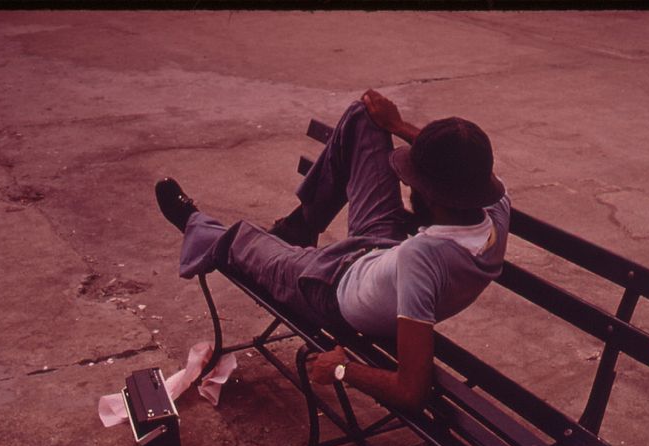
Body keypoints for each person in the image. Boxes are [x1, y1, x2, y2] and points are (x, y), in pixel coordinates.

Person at [154, 89, 510, 411]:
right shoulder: (495, 208)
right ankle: (301, 228)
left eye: (414, 178)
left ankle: (196, 225)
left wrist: (342, 368)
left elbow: (411, 390)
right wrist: (396, 125)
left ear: (430, 193)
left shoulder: (426, 259)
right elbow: (456, 166)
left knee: (241, 240)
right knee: (363, 118)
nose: (406, 180)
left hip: (329, 286)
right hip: (382, 249)